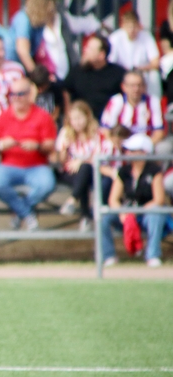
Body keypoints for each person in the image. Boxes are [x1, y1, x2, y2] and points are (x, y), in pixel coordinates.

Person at [0, 77, 58, 230]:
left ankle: (18, 211)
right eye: (13, 94)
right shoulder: (2, 117)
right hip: (9, 165)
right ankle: (26, 214)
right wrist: (1, 144)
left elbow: (50, 145)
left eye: (20, 94)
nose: (16, 98)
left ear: (29, 94)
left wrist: (37, 146)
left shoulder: (43, 116)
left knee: (47, 184)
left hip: (36, 166)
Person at [101, 133, 168, 268]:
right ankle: (108, 256)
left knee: (156, 214)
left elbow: (159, 200)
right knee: (104, 217)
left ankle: (152, 255)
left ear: (144, 152)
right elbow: (113, 199)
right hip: (127, 213)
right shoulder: (124, 171)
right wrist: (122, 212)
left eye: (133, 150)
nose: (128, 153)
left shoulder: (154, 171)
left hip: (146, 212)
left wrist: (138, 211)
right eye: (128, 150)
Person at [55, 101, 114, 232]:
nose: (77, 122)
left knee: (85, 170)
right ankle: (85, 216)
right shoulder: (66, 132)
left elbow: (101, 157)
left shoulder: (98, 134)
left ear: (87, 117)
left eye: (80, 118)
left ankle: (74, 202)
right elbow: (62, 161)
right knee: (83, 175)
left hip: (95, 170)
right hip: (70, 172)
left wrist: (81, 161)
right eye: (74, 119)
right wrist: (64, 147)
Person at [64, 35, 126, 123]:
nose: (85, 50)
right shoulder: (77, 71)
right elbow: (66, 90)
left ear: (101, 55)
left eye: (90, 49)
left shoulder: (118, 74)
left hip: (108, 123)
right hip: (82, 124)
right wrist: (68, 114)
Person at [99, 70, 165, 145]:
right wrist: (116, 145)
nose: (136, 89)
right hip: (120, 144)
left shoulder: (153, 102)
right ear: (124, 87)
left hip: (145, 143)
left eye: (139, 85)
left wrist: (147, 146)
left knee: (164, 148)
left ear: (144, 86)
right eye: (132, 86)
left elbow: (159, 131)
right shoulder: (115, 101)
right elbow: (105, 129)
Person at [108, 11, 162, 98]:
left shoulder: (146, 37)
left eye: (134, 27)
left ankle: (154, 100)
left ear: (139, 25)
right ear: (123, 26)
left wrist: (140, 69)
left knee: (154, 75)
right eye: (129, 27)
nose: (132, 30)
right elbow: (110, 62)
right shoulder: (115, 38)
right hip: (121, 73)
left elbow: (155, 63)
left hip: (142, 73)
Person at [10, 0, 53, 73]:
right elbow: (23, 51)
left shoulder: (39, 23)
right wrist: (36, 75)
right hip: (15, 66)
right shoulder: (23, 19)